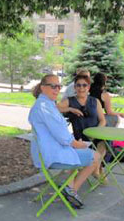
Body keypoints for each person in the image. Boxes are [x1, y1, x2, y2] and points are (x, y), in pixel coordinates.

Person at [28, 74, 102, 209]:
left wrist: (74, 143)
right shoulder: (44, 107)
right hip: (52, 154)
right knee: (96, 156)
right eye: (53, 86)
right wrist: (77, 144)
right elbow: (63, 137)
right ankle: (71, 190)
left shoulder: (46, 104)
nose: (57, 89)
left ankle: (69, 188)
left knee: (88, 152)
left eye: (58, 86)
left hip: (52, 149)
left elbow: (58, 133)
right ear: (43, 87)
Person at [57, 74, 107, 178]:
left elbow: (103, 120)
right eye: (78, 85)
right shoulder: (69, 101)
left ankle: (96, 170)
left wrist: (96, 132)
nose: (81, 88)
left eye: (84, 85)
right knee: (89, 147)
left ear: (88, 87)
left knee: (104, 143)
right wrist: (70, 109)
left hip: (96, 134)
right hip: (79, 137)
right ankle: (95, 170)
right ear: (74, 87)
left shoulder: (95, 101)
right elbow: (55, 108)